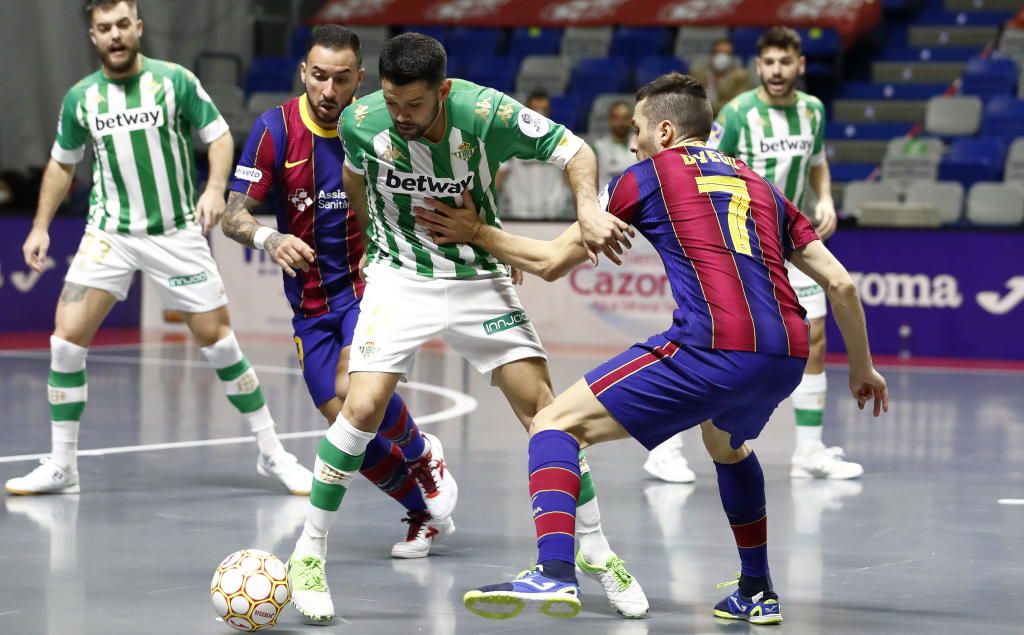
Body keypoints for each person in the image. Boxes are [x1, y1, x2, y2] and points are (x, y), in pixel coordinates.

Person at [414, 72, 888, 623]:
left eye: (638, 130)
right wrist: (863, 368)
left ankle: (554, 573)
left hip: (711, 348)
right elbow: (842, 285)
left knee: (552, 425)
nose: (633, 141)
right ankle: (756, 590)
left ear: (664, 130)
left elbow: (548, 262)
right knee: (726, 444)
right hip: (785, 353)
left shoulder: (646, 176)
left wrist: (479, 232)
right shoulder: (760, 185)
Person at [284, 32, 647, 625]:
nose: (401, 117)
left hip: (477, 278)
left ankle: (597, 550)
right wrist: (377, 236)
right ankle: (309, 551)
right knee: (360, 405)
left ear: (443, 91)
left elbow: (576, 151)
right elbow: (356, 180)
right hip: (401, 278)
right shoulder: (361, 121)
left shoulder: (485, 112)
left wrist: (585, 209)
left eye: (415, 106)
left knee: (548, 416)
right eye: (393, 102)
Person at [5, 0, 311, 496]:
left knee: (220, 343)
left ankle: (273, 453)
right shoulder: (80, 98)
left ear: (138, 28)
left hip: (174, 233)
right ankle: (63, 465)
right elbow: (62, 165)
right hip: (109, 234)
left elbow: (216, 138)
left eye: (123, 24)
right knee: (65, 340)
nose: (115, 35)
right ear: (93, 36)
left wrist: (214, 190)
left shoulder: (175, 81)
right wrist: (40, 226)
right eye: (104, 28)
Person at [221, 25, 452, 560]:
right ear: (304, 72)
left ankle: (421, 454)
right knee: (344, 423)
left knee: (354, 388)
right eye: (319, 76)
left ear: (359, 81)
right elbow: (234, 215)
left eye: (341, 79)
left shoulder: (378, 123)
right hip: (309, 308)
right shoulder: (274, 129)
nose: (328, 90)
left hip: (370, 285)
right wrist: (268, 235)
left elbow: (445, 178)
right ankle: (421, 510)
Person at [709, 26, 856, 480]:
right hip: (743, 245)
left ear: (800, 65)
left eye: (785, 62)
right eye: (768, 62)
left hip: (793, 240)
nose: (776, 70)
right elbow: (708, 169)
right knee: (716, 345)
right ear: (758, 66)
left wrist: (826, 199)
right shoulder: (736, 114)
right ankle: (666, 447)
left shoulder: (813, 111)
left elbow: (816, 163)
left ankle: (808, 452)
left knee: (814, 338)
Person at [494, 89, 573, 219]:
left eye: (543, 111)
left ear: (549, 112)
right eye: (535, 110)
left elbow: (569, 175)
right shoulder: (510, 141)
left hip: (554, 214)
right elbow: (499, 176)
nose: (539, 115)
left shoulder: (562, 139)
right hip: (518, 214)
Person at [690, 38, 753, 115]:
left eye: (727, 53)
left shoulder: (741, 77)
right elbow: (689, 101)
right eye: (718, 52)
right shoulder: (697, 73)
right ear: (711, 54)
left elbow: (737, 104)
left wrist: (705, 106)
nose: (722, 57)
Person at [592, 100, 636, 190]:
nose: (621, 122)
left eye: (625, 117)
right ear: (610, 120)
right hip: (606, 201)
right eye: (616, 117)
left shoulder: (641, 144)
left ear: (631, 120)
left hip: (635, 201)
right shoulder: (598, 147)